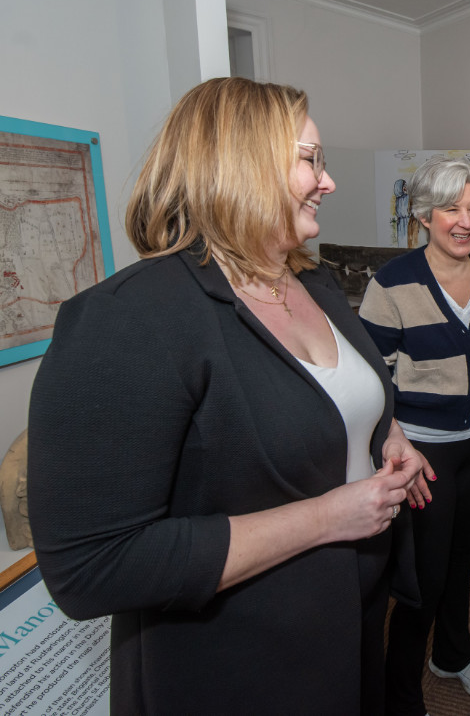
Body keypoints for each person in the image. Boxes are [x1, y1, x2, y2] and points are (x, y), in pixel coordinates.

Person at [27, 77, 427, 715]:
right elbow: (91, 567)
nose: (328, 182)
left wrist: (386, 431)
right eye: (310, 160)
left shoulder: (314, 281)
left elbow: (337, 396)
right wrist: (329, 517)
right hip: (240, 653)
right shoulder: (131, 319)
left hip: (349, 606)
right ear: (239, 161)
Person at [359, 158, 470, 716]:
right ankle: (398, 693)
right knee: (424, 576)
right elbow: (371, 375)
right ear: (425, 215)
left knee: (459, 556)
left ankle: (452, 654)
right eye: (451, 209)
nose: (465, 220)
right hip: (424, 452)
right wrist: (395, 440)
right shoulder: (393, 284)